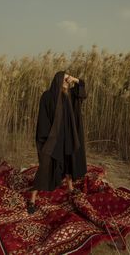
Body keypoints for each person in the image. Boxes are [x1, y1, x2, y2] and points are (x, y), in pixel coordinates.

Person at [27, 70, 88, 214]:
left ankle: (71, 189)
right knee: (44, 168)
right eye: (64, 80)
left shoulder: (69, 95)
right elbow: (43, 119)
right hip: (51, 139)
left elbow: (83, 92)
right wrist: (45, 140)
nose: (67, 83)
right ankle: (32, 200)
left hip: (66, 137)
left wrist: (75, 79)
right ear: (58, 80)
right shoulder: (47, 96)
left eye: (68, 80)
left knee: (68, 162)